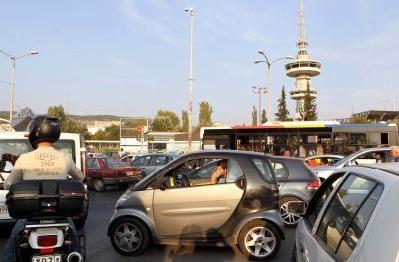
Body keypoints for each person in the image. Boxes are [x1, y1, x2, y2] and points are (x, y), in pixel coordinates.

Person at [2, 115, 84, 262]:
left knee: (12, 246)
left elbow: (8, 184)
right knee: (74, 241)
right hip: (60, 214)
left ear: (35, 132)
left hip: (30, 215)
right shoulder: (64, 157)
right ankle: (76, 255)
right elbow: (80, 177)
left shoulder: (25, 158)